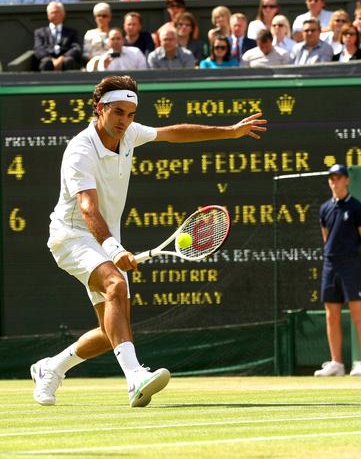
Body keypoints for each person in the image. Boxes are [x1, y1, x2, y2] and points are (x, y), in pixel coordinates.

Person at [31, 75, 266, 407]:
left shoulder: (129, 134)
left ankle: (51, 368)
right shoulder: (79, 150)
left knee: (112, 330)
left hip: (103, 240)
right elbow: (87, 207)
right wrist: (113, 249)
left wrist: (229, 131)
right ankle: (135, 379)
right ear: (100, 109)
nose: (124, 121)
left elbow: (176, 133)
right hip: (71, 237)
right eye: (117, 112)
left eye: (129, 114)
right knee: (115, 285)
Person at [314, 165, 361, 377]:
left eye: (339, 177)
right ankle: (336, 364)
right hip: (330, 265)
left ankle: (359, 362)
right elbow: (326, 237)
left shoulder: (357, 207)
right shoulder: (325, 208)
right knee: (331, 315)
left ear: (347, 180)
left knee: (358, 314)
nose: (335, 181)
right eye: (331, 178)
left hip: (351, 264)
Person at [33, 2, 82, 71]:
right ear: (48, 15)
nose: (54, 15)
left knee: (68, 61)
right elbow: (38, 49)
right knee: (46, 62)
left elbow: (76, 48)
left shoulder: (72, 32)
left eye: (57, 12)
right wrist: (52, 60)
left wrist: (62, 58)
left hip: (65, 60)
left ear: (63, 14)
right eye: (52, 13)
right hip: (48, 61)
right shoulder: (40, 32)